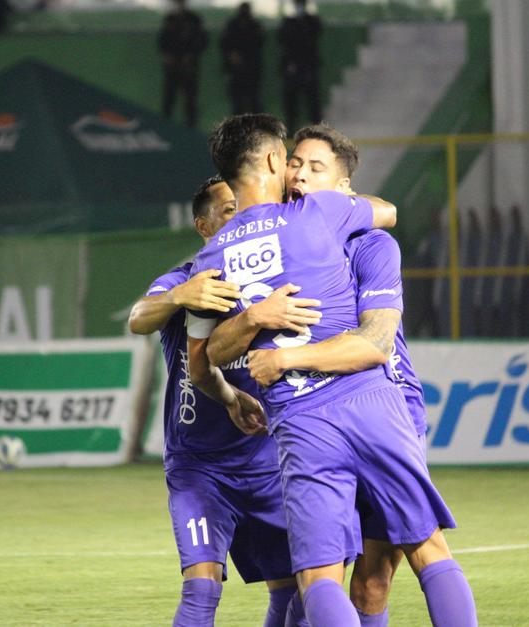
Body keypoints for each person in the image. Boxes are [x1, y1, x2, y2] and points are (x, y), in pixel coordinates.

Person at [187, 113, 477, 627]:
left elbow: (375, 343)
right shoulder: (319, 215)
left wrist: (277, 352)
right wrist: (257, 316)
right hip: (341, 409)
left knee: (344, 578)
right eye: (293, 161)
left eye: (312, 166)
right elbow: (384, 211)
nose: (298, 173)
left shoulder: (212, 258)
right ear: (276, 161)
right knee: (394, 558)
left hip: (338, 410)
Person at [128, 176, 319, 627]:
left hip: (268, 460)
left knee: (292, 590)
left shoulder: (272, 279)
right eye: (230, 209)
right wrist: (178, 296)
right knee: (201, 588)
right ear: (203, 225)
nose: (243, 215)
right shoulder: (187, 280)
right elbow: (138, 317)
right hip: (200, 466)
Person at [158, 0, 209, 128]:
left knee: (190, 100)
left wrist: (191, 55)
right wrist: (167, 55)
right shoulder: (169, 19)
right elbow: (162, 40)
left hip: (189, 67)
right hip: (172, 67)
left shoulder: (194, 20)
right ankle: (166, 127)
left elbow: (202, 40)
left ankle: (191, 128)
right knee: (169, 99)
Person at [278, 0, 322, 132]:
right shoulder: (288, 22)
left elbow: (316, 30)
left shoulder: (311, 21)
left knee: (313, 102)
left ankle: (318, 130)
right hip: (293, 67)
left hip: (308, 66)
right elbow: (282, 38)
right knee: (291, 104)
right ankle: (290, 131)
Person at [219, 2, 265, 115]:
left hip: (248, 70)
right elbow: (225, 44)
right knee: (241, 104)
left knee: (250, 103)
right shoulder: (249, 25)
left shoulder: (251, 25)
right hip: (241, 70)